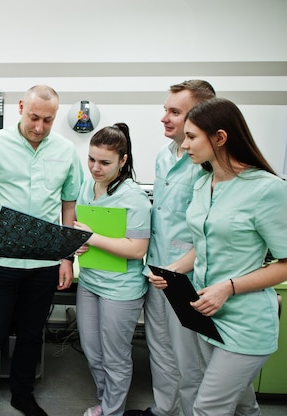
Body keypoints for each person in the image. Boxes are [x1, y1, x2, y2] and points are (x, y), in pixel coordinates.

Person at [0, 85, 83, 416]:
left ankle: (22, 394)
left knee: (32, 334)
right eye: (34, 117)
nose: (40, 127)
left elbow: (68, 207)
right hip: (0, 261)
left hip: (44, 263)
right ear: (20, 107)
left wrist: (66, 257)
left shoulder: (65, 150)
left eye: (48, 120)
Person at [167, 97, 287, 415]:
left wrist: (227, 287)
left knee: (208, 408)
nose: (185, 143)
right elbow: (203, 244)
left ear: (220, 137)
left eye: (192, 136)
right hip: (207, 314)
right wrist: (173, 270)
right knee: (243, 405)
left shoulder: (266, 189)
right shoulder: (203, 183)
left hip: (245, 323)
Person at [124, 80, 216, 416]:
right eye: (165, 109)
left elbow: (210, 234)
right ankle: (164, 410)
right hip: (156, 270)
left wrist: (178, 269)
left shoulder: (207, 165)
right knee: (159, 348)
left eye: (174, 112)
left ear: (200, 116)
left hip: (188, 275)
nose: (164, 117)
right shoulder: (165, 155)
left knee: (189, 358)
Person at [72, 123, 152, 416]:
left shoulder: (134, 197)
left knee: (115, 357)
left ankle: (112, 411)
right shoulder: (86, 186)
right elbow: (80, 231)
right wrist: (78, 244)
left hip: (121, 289)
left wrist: (91, 237)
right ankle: (106, 403)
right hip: (91, 281)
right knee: (93, 352)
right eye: (91, 159)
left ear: (123, 161)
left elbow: (137, 249)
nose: (95, 167)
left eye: (105, 162)